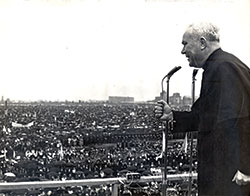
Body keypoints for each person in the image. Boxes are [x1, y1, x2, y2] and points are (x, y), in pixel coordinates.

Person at [154, 22, 250, 196]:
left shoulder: (223, 68)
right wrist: (172, 116)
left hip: (231, 175)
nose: (182, 51)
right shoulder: (219, 65)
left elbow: (243, 119)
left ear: (202, 43)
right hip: (225, 172)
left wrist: (246, 167)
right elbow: (206, 116)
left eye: (185, 44)